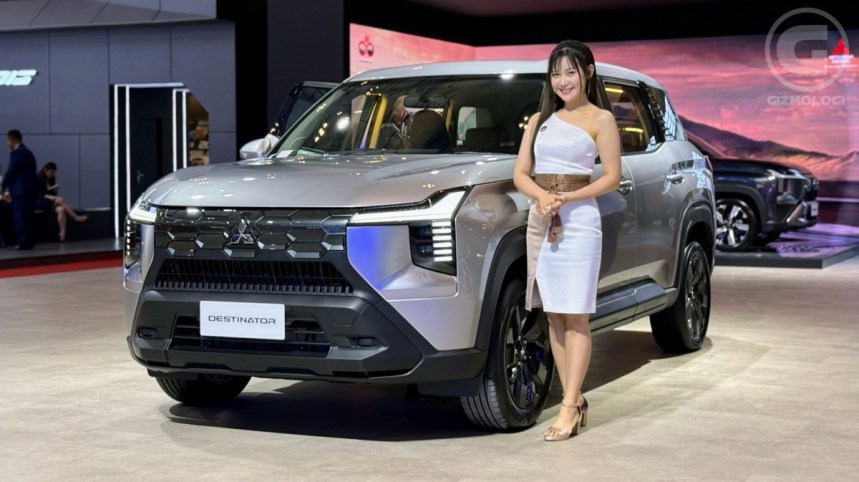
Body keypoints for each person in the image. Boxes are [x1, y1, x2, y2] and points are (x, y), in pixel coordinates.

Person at [513, 40, 622, 441]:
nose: (562, 81)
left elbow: (611, 176)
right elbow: (521, 173)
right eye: (556, 73)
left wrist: (568, 198)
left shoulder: (602, 119)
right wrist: (542, 197)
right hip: (543, 220)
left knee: (575, 314)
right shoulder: (539, 120)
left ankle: (569, 405)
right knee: (554, 315)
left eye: (570, 72)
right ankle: (574, 399)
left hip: (579, 223)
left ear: (588, 73)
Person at [2, 129, 40, 250]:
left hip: (20, 191)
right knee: (28, 217)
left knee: (20, 217)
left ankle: (22, 242)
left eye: (8, 141)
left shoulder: (17, 153)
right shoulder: (28, 152)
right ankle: (28, 242)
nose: (7, 143)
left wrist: (2, 186)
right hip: (29, 190)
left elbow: (11, 171)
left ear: (13, 140)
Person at [35, 162, 88, 242]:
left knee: (61, 210)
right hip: (39, 201)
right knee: (61, 199)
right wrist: (51, 196)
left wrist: (54, 190)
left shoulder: (51, 179)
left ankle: (62, 235)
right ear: (45, 170)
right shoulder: (38, 178)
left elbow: (51, 194)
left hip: (47, 201)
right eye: (51, 172)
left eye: (53, 173)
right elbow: (39, 194)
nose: (52, 175)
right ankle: (76, 217)